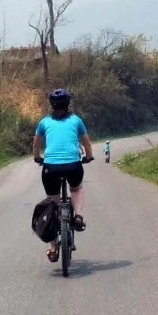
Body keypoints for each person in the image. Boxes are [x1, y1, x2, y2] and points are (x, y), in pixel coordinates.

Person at [33, 88, 93, 263]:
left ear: (52, 105)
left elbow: (36, 144)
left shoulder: (44, 122)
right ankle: (78, 216)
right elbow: (86, 144)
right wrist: (88, 157)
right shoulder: (76, 120)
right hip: (73, 165)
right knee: (76, 188)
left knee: (52, 203)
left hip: (50, 167)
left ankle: (52, 247)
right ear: (68, 104)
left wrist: (37, 157)